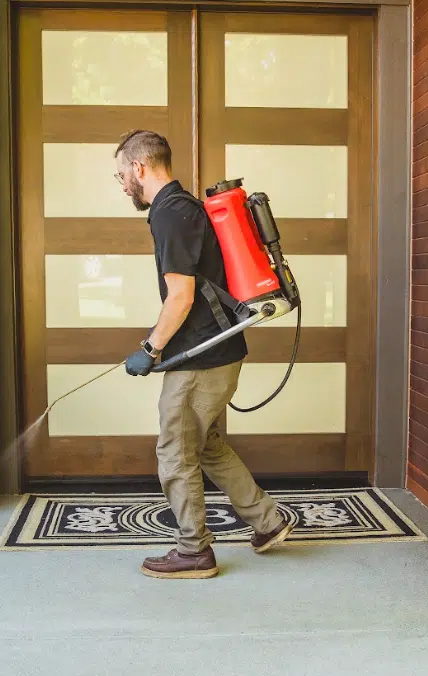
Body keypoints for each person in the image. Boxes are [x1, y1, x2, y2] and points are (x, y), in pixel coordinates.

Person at [113, 129, 293, 580]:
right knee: (207, 444)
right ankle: (268, 522)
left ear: (139, 168)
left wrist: (150, 349)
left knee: (175, 450)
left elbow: (181, 296)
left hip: (199, 359)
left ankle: (194, 551)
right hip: (221, 349)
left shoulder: (170, 214)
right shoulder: (185, 206)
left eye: (120, 174)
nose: (120, 184)